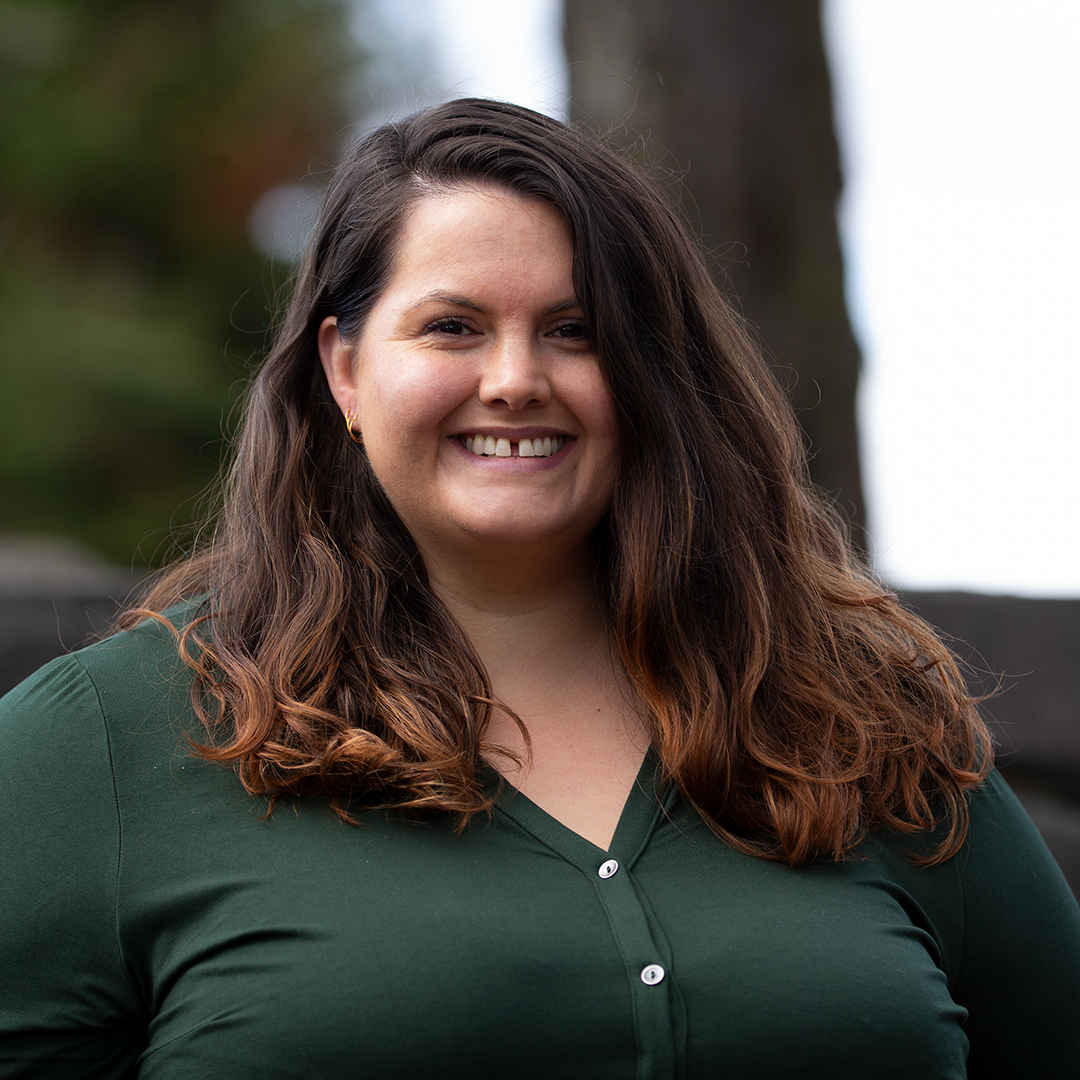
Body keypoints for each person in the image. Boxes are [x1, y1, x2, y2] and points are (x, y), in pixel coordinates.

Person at [1, 99, 1078, 1079]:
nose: (515, 378)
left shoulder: (869, 726)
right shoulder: (108, 741)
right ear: (344, 369)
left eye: (575, 330)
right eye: (453, 327)